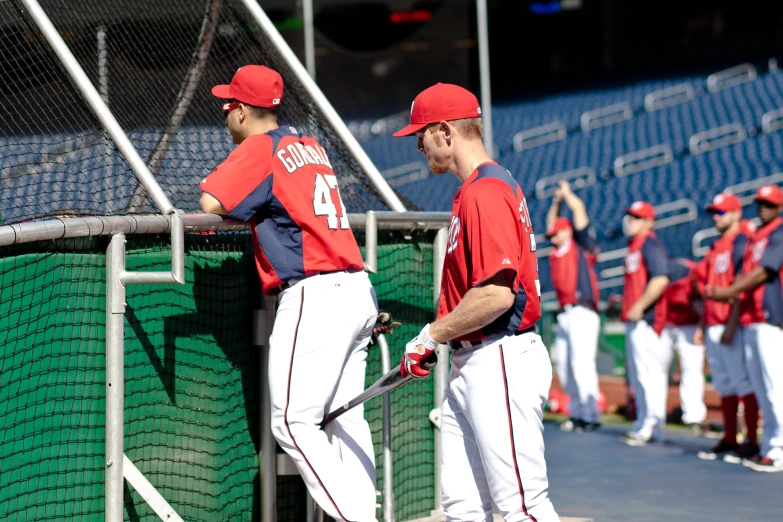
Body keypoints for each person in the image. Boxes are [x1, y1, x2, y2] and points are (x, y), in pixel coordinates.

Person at [199, 65, 380, 520]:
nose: (225, 115)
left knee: (292, 422)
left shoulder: (262, 147)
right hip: (357, 288)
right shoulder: (309, 143)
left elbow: (211, 203)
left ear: (241, 110)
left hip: (316, 294)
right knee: (343, 417)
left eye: (228, 105)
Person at [393, 83, 559, 521]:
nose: (418, 145)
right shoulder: (478, 187)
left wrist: (431, 335)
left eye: (421, 134)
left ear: (446, 131)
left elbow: (495, 295)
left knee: (521, 507)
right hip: (477, 359)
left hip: (499, 354)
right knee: (464, 506)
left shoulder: (485, 190)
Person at [707, 185, 783, 472]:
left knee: (775, 387)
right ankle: (768, 445)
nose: (762, 207)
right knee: (762, 388)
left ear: (778, 206)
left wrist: (726, 291)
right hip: (751, 318)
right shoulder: (755, 237)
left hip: (769, 316)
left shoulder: (778, 232)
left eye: (768, 203)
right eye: (760, 203)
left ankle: (778, 448)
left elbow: (764, 271)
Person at [693, 194, 759, 462]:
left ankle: (752, 440)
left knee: (742, 380)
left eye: (721, 212)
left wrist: (732, 322)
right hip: (712, 321)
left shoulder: (742, 241)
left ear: (735, 213)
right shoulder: (715, 245)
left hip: (731, 321)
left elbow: (741, 286)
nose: (716, 216)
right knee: (724, 382)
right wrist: (702, 324)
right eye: (714, 212)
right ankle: (730, 437)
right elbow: (709, 291)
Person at [545, 180, 601, 432]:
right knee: (566, 365)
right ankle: (578, 413)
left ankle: (591, 415)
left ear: (567, 232)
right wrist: (555, 203)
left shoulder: (578, 246)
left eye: (558, 232)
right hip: (566, 314)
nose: (553, 235)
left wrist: (566, 196)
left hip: (582, 310)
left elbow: (579, 213)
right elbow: (549, 224)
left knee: (581, 363)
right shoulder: (556, 250)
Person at [618, 201, 670, 446]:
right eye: (630, 216)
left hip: (647, 321)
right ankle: (646, 423)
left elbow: (660, 279)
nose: (631, 221)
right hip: (637, 320)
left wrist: (638, 306)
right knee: (642, 375)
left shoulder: (649, 244)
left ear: (649, 222)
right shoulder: (634, 246)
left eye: (637, 217)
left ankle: (649, 425)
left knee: (647, 375)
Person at [661, 258, 707, 430]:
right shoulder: (678, 279)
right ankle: (655, 413)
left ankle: (693, 415)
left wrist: (701, 326)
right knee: (658, 370)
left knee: (692, 369)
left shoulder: (703, 279)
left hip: (690, 326)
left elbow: (708, 302)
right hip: (667, 324)